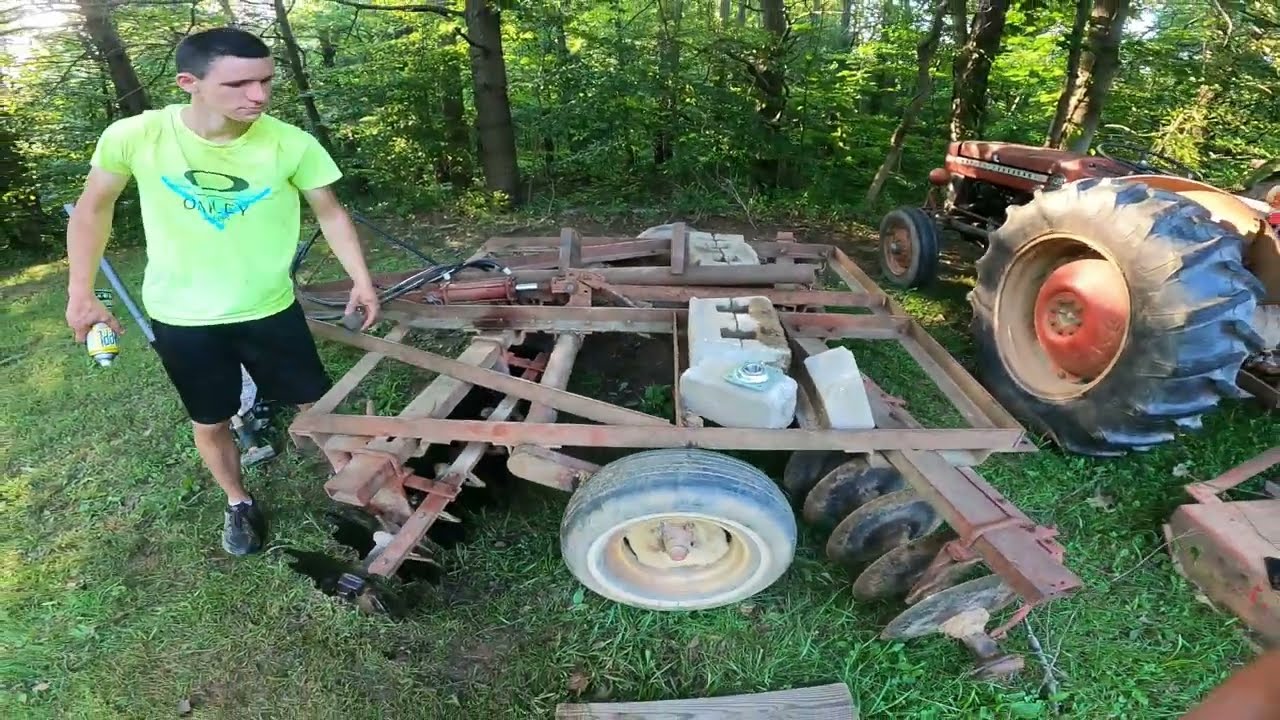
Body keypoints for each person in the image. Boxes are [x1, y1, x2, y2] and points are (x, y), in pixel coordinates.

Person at [64, 27, 380, 556]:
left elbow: (330, 212)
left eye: (266, 81)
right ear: (191, 83)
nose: (257, 95)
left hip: (269, 308)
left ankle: (357, 486)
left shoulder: (290, 143)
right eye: (239, 84)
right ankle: (237, 501)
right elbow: (93, 208)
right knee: (210, 419)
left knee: (316, 404)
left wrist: (362, 278)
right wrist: (81, 290)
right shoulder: (137, 135)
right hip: (182, 317)